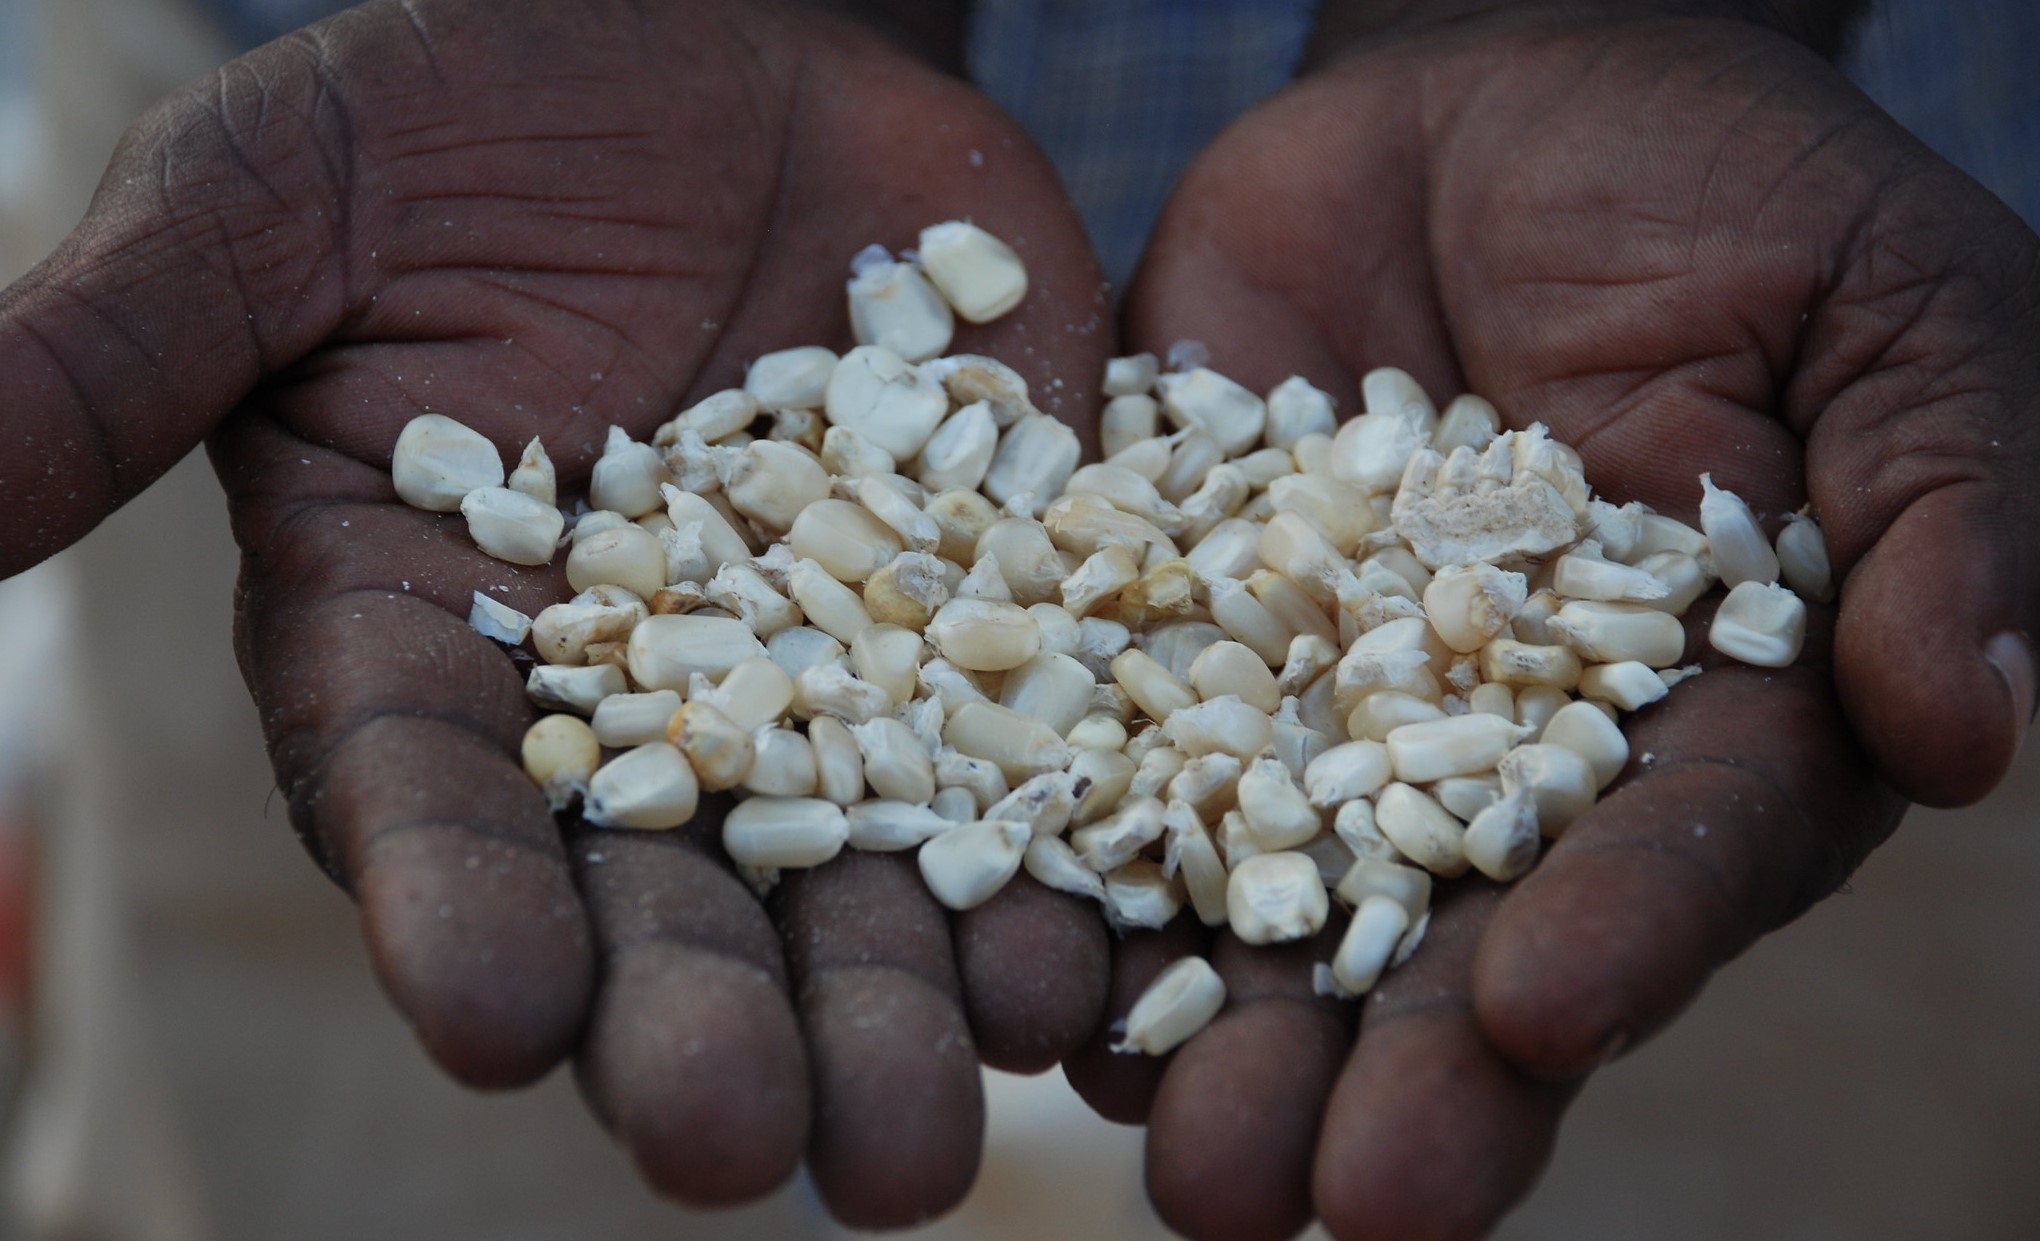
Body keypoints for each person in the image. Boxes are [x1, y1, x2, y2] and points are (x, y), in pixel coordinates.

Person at [0, 1, 2032, 1237]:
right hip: (480, 264)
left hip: (1714, 287)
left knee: (1735, 1141)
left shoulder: (1491, 552)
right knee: (347, 1123)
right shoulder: (662, 519)